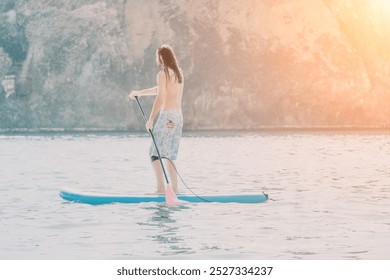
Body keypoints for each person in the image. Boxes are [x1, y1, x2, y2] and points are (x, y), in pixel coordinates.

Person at [129, 44, 184, 194]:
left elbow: (161, 96)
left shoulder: (162, 74)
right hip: (178, 117)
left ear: (161, 58)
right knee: (169, 154)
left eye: (158, 57)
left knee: (154, 153)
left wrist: (151, 119)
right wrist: (139, 93)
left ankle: (160, 189)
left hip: (167, 117)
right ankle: (175, 189)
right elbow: (160, 89)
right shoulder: (179, 73)